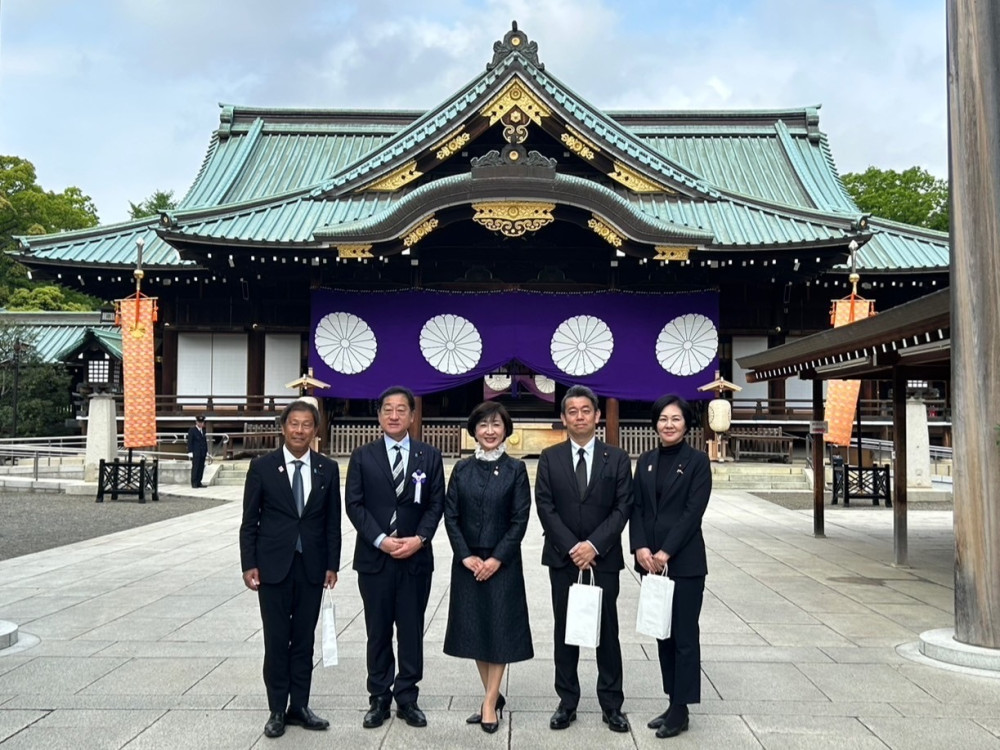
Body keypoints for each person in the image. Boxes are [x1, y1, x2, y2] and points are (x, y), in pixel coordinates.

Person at [239, 400, 341, 739]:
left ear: (316, 430)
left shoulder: (327, 469)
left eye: (306, 425)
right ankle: (276, 709)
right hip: (272, 567)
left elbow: (331, 523)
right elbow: (249, 521)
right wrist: (248, 563)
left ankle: (300, 705)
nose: (300, 430)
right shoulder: (263, 467)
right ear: (284, 427)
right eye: (294, 424)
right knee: (277, 638)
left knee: (303, 641)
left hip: (312, 567)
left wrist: (332, 564)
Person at [534, 384, 633, 734]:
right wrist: (572, 548)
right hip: (563, 559)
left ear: (596, 416)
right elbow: (544, 506)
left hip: (603, 560)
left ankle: (612, 703)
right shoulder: (550, 458)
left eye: (585, 410)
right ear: (563, 418)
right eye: (572, 411)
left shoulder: (617, 458)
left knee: (608, 631)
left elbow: (623, 507)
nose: (579, 416)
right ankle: (567, 700)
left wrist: (593, 545)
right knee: (565, 630)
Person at [345, 386, 445, 729]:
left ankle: (407, 696)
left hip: (415, 558)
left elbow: (436, 504)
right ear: (379, 415)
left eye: (402, 409)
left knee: (411, 628)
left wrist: (420, 538)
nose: (394, 415)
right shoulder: (362, 456)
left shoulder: (428, 456)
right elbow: (354, 505)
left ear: (413, 416)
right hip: (375, 559)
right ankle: (378, 697)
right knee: (378, 629)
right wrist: (380, 539)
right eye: (387, 409)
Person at [443, 401, 533, 734]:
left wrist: (497, 558)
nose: (490, 431)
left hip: (503, 562)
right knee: (476, 630)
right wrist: (465, 555)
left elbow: (519, 519)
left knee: (500, 630)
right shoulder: (462, 469)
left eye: (496, 425)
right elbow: (450, 515)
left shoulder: (516, 470)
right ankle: (492, 695)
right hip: (467, 562)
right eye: (483, 425)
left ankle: (488, 703)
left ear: (506, 430)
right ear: (474, 431)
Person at [630, 394, 712, 739]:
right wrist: (641, 547)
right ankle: (671, 699)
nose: (668, 424)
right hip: (652, 564)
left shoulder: (697, 462)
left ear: (687, 423)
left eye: (676, 419)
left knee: (684, 634)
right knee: (662, 632)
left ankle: (682, 708)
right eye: (663, 418)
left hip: (685, 562)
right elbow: (637, 508)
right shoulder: (646, 460)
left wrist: (665, 551)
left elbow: (693, 513)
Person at [186, 415, 208, 487]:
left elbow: (204, 442)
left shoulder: (203, 431)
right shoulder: (192, 430)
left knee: (201, 467)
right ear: (196, 422)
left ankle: (199, 481)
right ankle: (194, 482)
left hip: (202, 452)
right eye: (199, 422)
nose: (201, 424)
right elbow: (190, 441)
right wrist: (190, 451)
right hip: (196, 452)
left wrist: (206, 451)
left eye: (202, 422)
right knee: (196, 467)